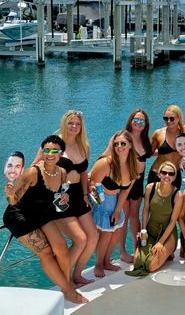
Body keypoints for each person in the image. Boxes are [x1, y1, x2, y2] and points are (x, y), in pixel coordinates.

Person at [3, 135, 87, 304]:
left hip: (41, 214)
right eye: (46, 150)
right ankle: (69, 290)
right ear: (42, 151)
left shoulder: (62, 172)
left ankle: (67, 283)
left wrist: (65, 198)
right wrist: (10, 195)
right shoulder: (33, 172)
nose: (50, 154)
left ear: (61, 153)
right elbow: (14, 201)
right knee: (46, 252)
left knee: (62, 247)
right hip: (19, 216)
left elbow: (59, 194)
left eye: (54, 151)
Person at [55, 110, 98, 286]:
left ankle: (77, 274)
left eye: (77, 124)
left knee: (93, 236)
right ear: (64, 123)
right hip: (59, 197)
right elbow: (37, 166)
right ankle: (64, 279)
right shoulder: (55, 144)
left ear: (81, 127)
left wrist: (86, 194)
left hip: (78, 195)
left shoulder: (83, 146)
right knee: (80, 239)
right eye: (70, 123)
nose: (74, 126)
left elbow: (84, 172)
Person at [89, 130, 138, 278]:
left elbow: (124, 191)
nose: (119, 146)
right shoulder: (105, 163)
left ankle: (106, 261)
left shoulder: (132, 166)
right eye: (116, 144)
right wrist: (96, 198)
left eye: (123, 143)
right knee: (106, 234)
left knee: (116, 232)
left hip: (116, 200)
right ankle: (98, 264)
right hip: (101, 202)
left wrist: (117, 210)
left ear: (130, 145)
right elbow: (92, 183)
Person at [126, 161, 182, 276]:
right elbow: (145, 210)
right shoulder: (150, 188)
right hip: (150, 231)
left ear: (174, 177)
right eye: (164, 173)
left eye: (171, 174)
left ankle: (168, 250)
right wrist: (143, 232)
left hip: (167, 233)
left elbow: (173, 221)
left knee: (151, 267)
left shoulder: (177, 194)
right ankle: (163, 253)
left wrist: (161, 242)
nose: (167, 176)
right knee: (137, 261)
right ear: (159, 174)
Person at [118, 109, 152, 263]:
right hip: (123, 183)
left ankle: (137, 248)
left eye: (142, 121)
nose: (138, 123)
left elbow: (155, 152)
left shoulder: (146, 141)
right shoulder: (122, 137)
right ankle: (122, 251)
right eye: (136, 119)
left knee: (134, 216)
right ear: (131, 120)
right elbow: (107, 155)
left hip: (138, 183)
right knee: (123, 218)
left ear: (145, 124)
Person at [149, 105, 184, 189]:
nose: (168, 121)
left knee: (174, 201)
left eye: (172, 118)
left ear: (178, 118)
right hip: (157, 174)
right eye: (165, 118)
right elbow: (149, 153)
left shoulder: (184, 133)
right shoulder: (158, 133)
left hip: (174, 175)